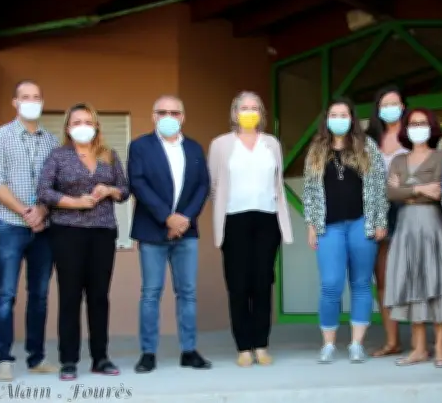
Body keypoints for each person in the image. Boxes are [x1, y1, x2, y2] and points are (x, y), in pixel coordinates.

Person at [37, 103, 130, 380]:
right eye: (76, 122)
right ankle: (68, 360)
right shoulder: (58, 156)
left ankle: (100, 357)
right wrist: (75, 202)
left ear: (96, 125)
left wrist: (109, 189)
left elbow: (125, 191)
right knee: (70, 296)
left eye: (87, 121)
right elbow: (44, 191)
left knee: (99, 297)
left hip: (102, 232)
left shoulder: (109, 156)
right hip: (67, 232)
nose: (82, 126)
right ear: (67, 128)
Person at [208, 91, 293, 367]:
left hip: (267, 219)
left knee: (262, 283)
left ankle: (261, 344)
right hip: (234, 219)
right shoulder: (221, 144)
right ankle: (243, 346)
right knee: (238, 284)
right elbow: (214, 184)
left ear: (261, 113)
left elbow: (277, 182)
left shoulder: (272, 143)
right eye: (244, 107)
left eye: (254, 107)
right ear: (234, 112)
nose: (249, 112)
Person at [0, 80, 59, 381]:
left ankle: (36, 357)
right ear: (15, 102)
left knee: (39, 295)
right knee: (6, 293)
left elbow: (56, 185)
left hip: (45, 229)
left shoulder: (52, 142)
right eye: (25, 97)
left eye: (36, 97)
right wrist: (26, 211)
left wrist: (42, 210)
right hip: (10, 227)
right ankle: (3, 358)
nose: (31, 101)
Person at [128, 95, 212, 373]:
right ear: (153, 116)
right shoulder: (140, 146)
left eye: (174, 112)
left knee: (187, 293)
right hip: (153, 231)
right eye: (162, 112)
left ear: (183, 117)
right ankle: (148, 353)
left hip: (186, 232)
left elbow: (203, 186)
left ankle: (189, 350)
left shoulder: (195, 148)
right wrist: (167, 217)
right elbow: (138, 184)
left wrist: (185, 218)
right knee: (151, 293)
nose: (168, 117)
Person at [302, 96, 388, 364]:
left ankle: (356, 344)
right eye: (334, 115)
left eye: (344, 115)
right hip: (329, 226)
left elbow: (378, 186)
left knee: (361, 284)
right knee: (330, 284)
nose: (339, 119)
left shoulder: (367, 146)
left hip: (361, 223)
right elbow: (309, 190)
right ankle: (328, 344)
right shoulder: (316, 150)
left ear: (352, 119)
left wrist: (380, 221)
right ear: (326, 119)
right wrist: (311, 225)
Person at [384, 108, 442, 368]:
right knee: (412, 284)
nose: (417, 127)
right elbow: (390, 193)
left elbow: (441, 191)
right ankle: (418, 348)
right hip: (406, 227)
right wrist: (420, 188)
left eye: (422, 123)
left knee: (437, 283)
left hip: (433, 226)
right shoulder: (398, 160)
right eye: (412, 123)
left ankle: (439, 346)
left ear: (431, 127)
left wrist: (407, 189)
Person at [364, 85, 408, 358]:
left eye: (395, 102)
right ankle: (392, 340)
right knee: (383, 277)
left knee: (413, 274)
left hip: (410, 207)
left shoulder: (415, 134)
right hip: (380, 210)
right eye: (384, 104)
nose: (390, 108)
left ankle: (421, 339)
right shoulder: (370, 140)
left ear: (403, 106)